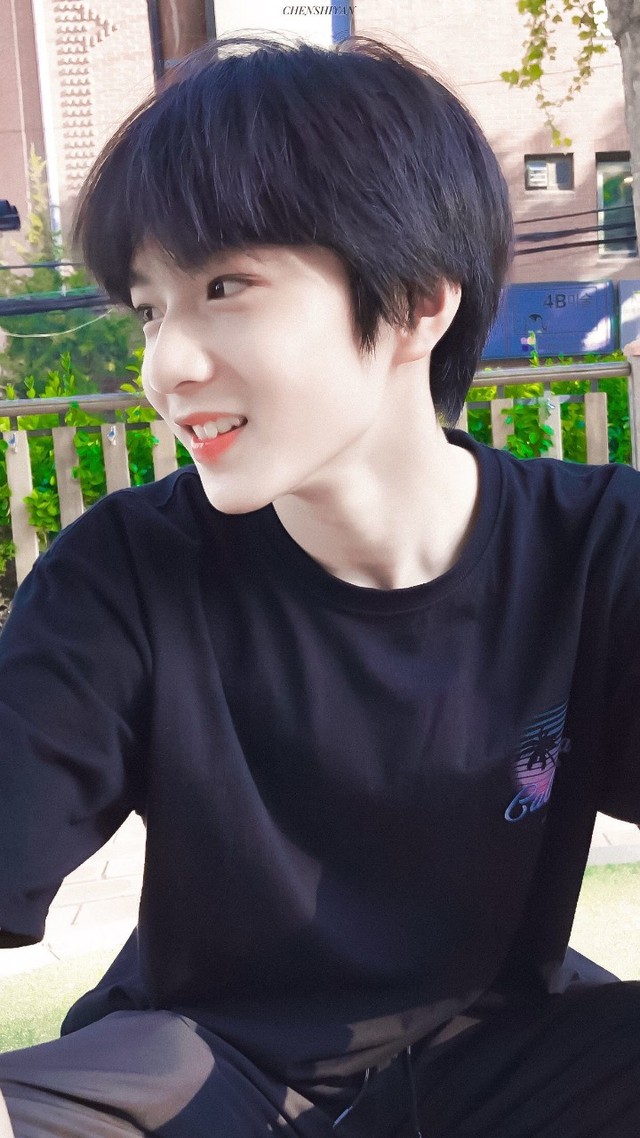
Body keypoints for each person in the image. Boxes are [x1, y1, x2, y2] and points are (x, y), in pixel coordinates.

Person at [0, 31, 639, 1138]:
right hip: (206, 1070)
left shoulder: (598, 551)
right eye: (150, 308)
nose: (165, 366)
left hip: (496, 1057)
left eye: (225, 286)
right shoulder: (125, 575)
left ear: (418, 301)